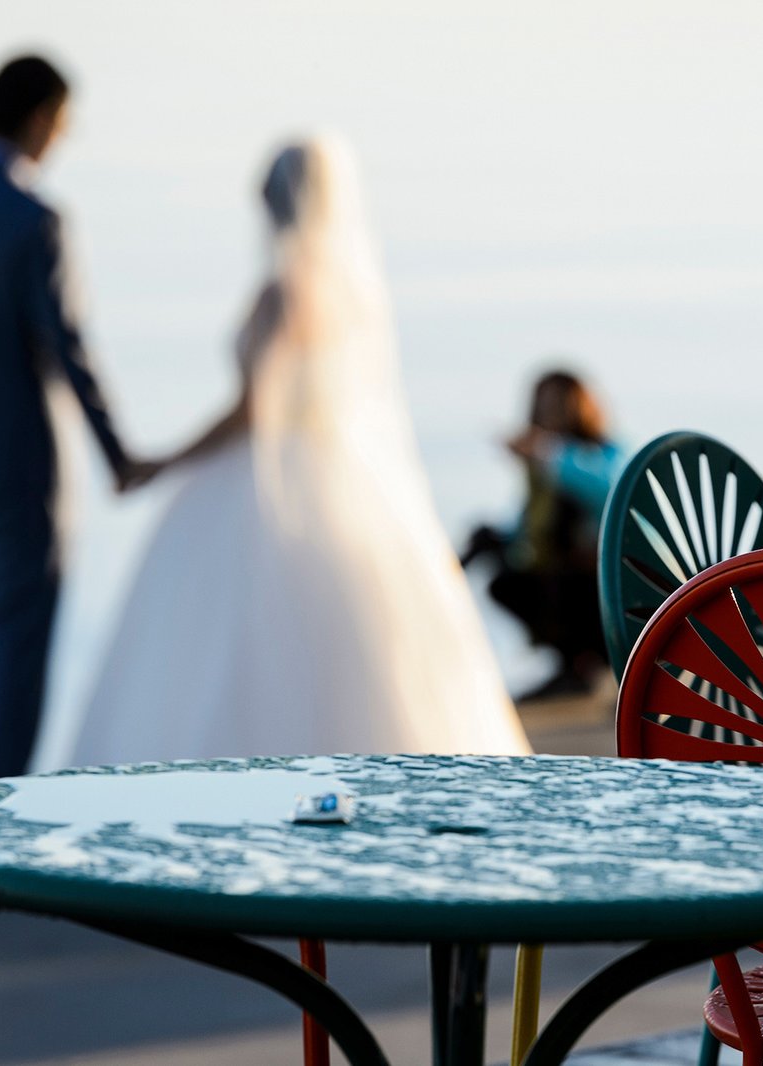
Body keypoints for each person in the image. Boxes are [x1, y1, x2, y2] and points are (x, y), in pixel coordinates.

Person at [70, 136, 529, 764]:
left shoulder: (285, 291)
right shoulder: (353, 292)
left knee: (238, 638)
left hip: (275, 476)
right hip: (339, 475)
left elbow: (256, 408)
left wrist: (163, 462)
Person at [0, 55, 153, 779]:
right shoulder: (38, 218)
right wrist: (118, 454)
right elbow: (67, 344)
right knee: (21, 639)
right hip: (20, 466)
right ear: (43, 117)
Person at [462, 371, 623, 700]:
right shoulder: (543, 476)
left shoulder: (604, 453)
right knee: (496, 561)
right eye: (544, 404)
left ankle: (586, 662)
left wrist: (547, 452)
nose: (551, 412)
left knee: (560, 568)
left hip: (605, 584)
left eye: (560, 403)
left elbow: (607, 489)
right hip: (559, 578)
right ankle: (572, 662)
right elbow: (527, 531)